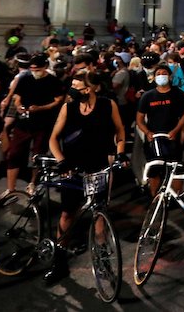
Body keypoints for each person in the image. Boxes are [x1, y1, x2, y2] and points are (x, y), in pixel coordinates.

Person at [45, 71, 127, 282]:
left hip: (98, 168)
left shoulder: (108, 105)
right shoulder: (68, 108)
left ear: (91, 89)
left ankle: (103, 261)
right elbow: (53, 138)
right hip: (72, 170)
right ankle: (59, 261)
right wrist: (61, 160)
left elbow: (120, 131)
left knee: (99, 214)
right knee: (67, 214)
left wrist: (120, 152)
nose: (73, 90)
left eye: (77, 86)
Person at [4, 55, 65, 197]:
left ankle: (33, 183)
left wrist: (40, 108)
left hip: (43, 123)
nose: (34, 72)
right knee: (14, 153)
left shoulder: (53, 81)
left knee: (38, 155)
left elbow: (58, 100)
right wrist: (19, 106)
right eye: (32, 69)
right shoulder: (25, 79)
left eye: (37, 69)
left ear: (44, 67)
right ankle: (10, 188)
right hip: (24, 122)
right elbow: (17, 96)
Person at [136, 64, 184, 197]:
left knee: (175, 169)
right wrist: (147, 132)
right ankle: (156, 198)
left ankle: (175, 198)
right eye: (158, 73)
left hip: (172, 139)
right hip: (154, 139)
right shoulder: (148, 96)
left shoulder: (178, 94)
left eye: (164, 73)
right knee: (154, 171)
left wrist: (176, 131)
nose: (161, 76)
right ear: (153, 78)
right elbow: (139, 119)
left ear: (170, 76)